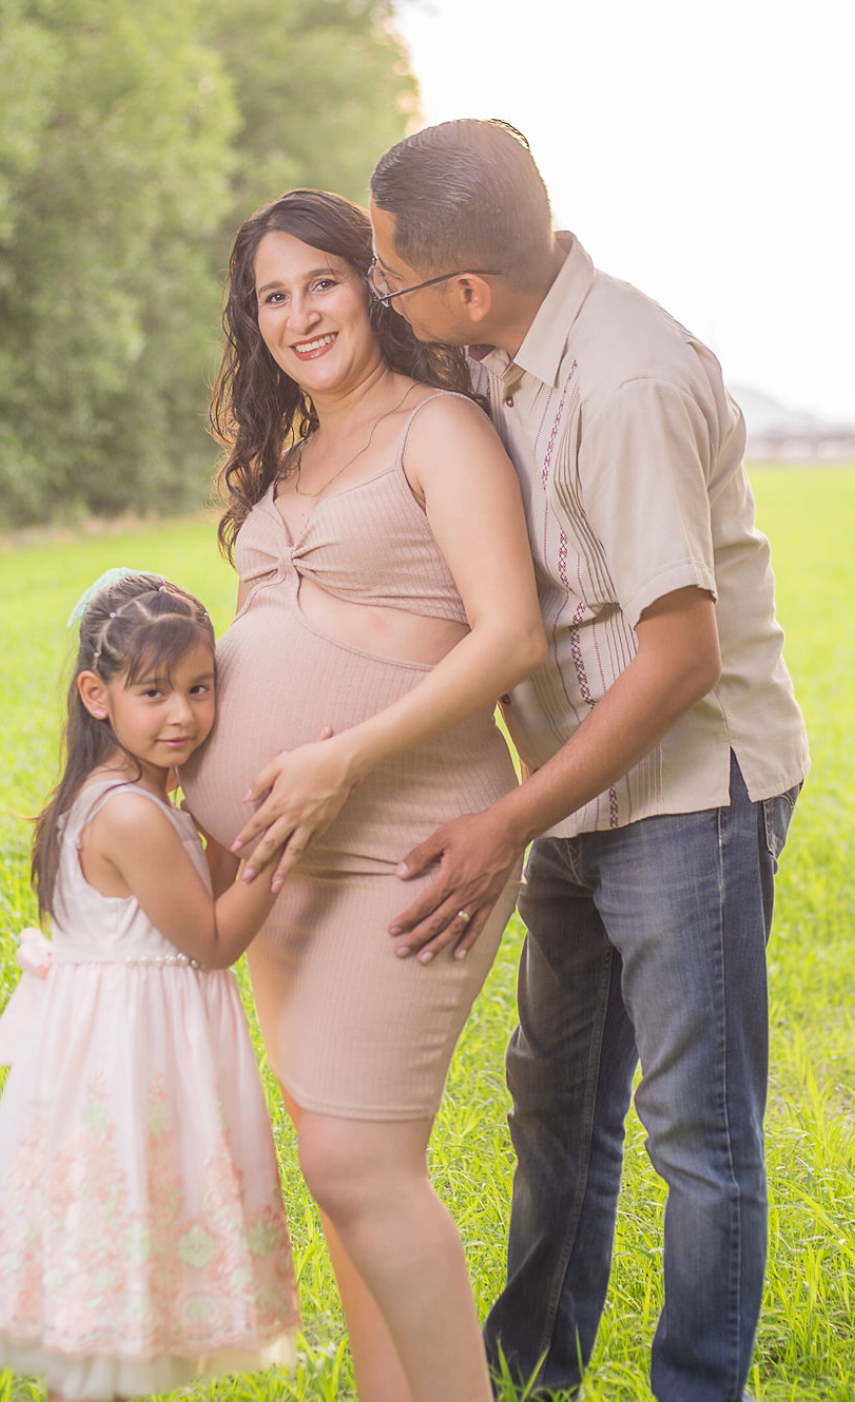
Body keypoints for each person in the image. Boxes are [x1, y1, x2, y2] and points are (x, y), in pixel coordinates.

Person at [368, 120, 811, 1402]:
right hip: (567, 791)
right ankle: (530, 1379)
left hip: (685, 796)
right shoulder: (497, 351)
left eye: (395, 278)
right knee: (555, 1109)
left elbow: (676, 657)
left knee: (698, 1140)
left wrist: (505, 822)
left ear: (465, 288)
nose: (390, 300)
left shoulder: (624, 379)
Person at [179, 188, 546, 1402]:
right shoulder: (284, 463)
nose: (299, 315)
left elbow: (506, 638)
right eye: (272, 297)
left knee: (356, 1157)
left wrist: (341, 757)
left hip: (403, 827)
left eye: (321, 282)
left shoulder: (434, 429)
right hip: (278, 862)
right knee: (333, 1163)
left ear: (370, 283)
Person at [0, 570, 299, 1402]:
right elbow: (215, 940)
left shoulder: (136, 795)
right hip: (131, 1075)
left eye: (198, 689)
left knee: (118, 1304)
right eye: (153, 691)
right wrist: (289, 835)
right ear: (97, 693)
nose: (182, 714)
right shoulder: (127, 814)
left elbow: (203, 885)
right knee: (115, 1295)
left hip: (118, 1061)